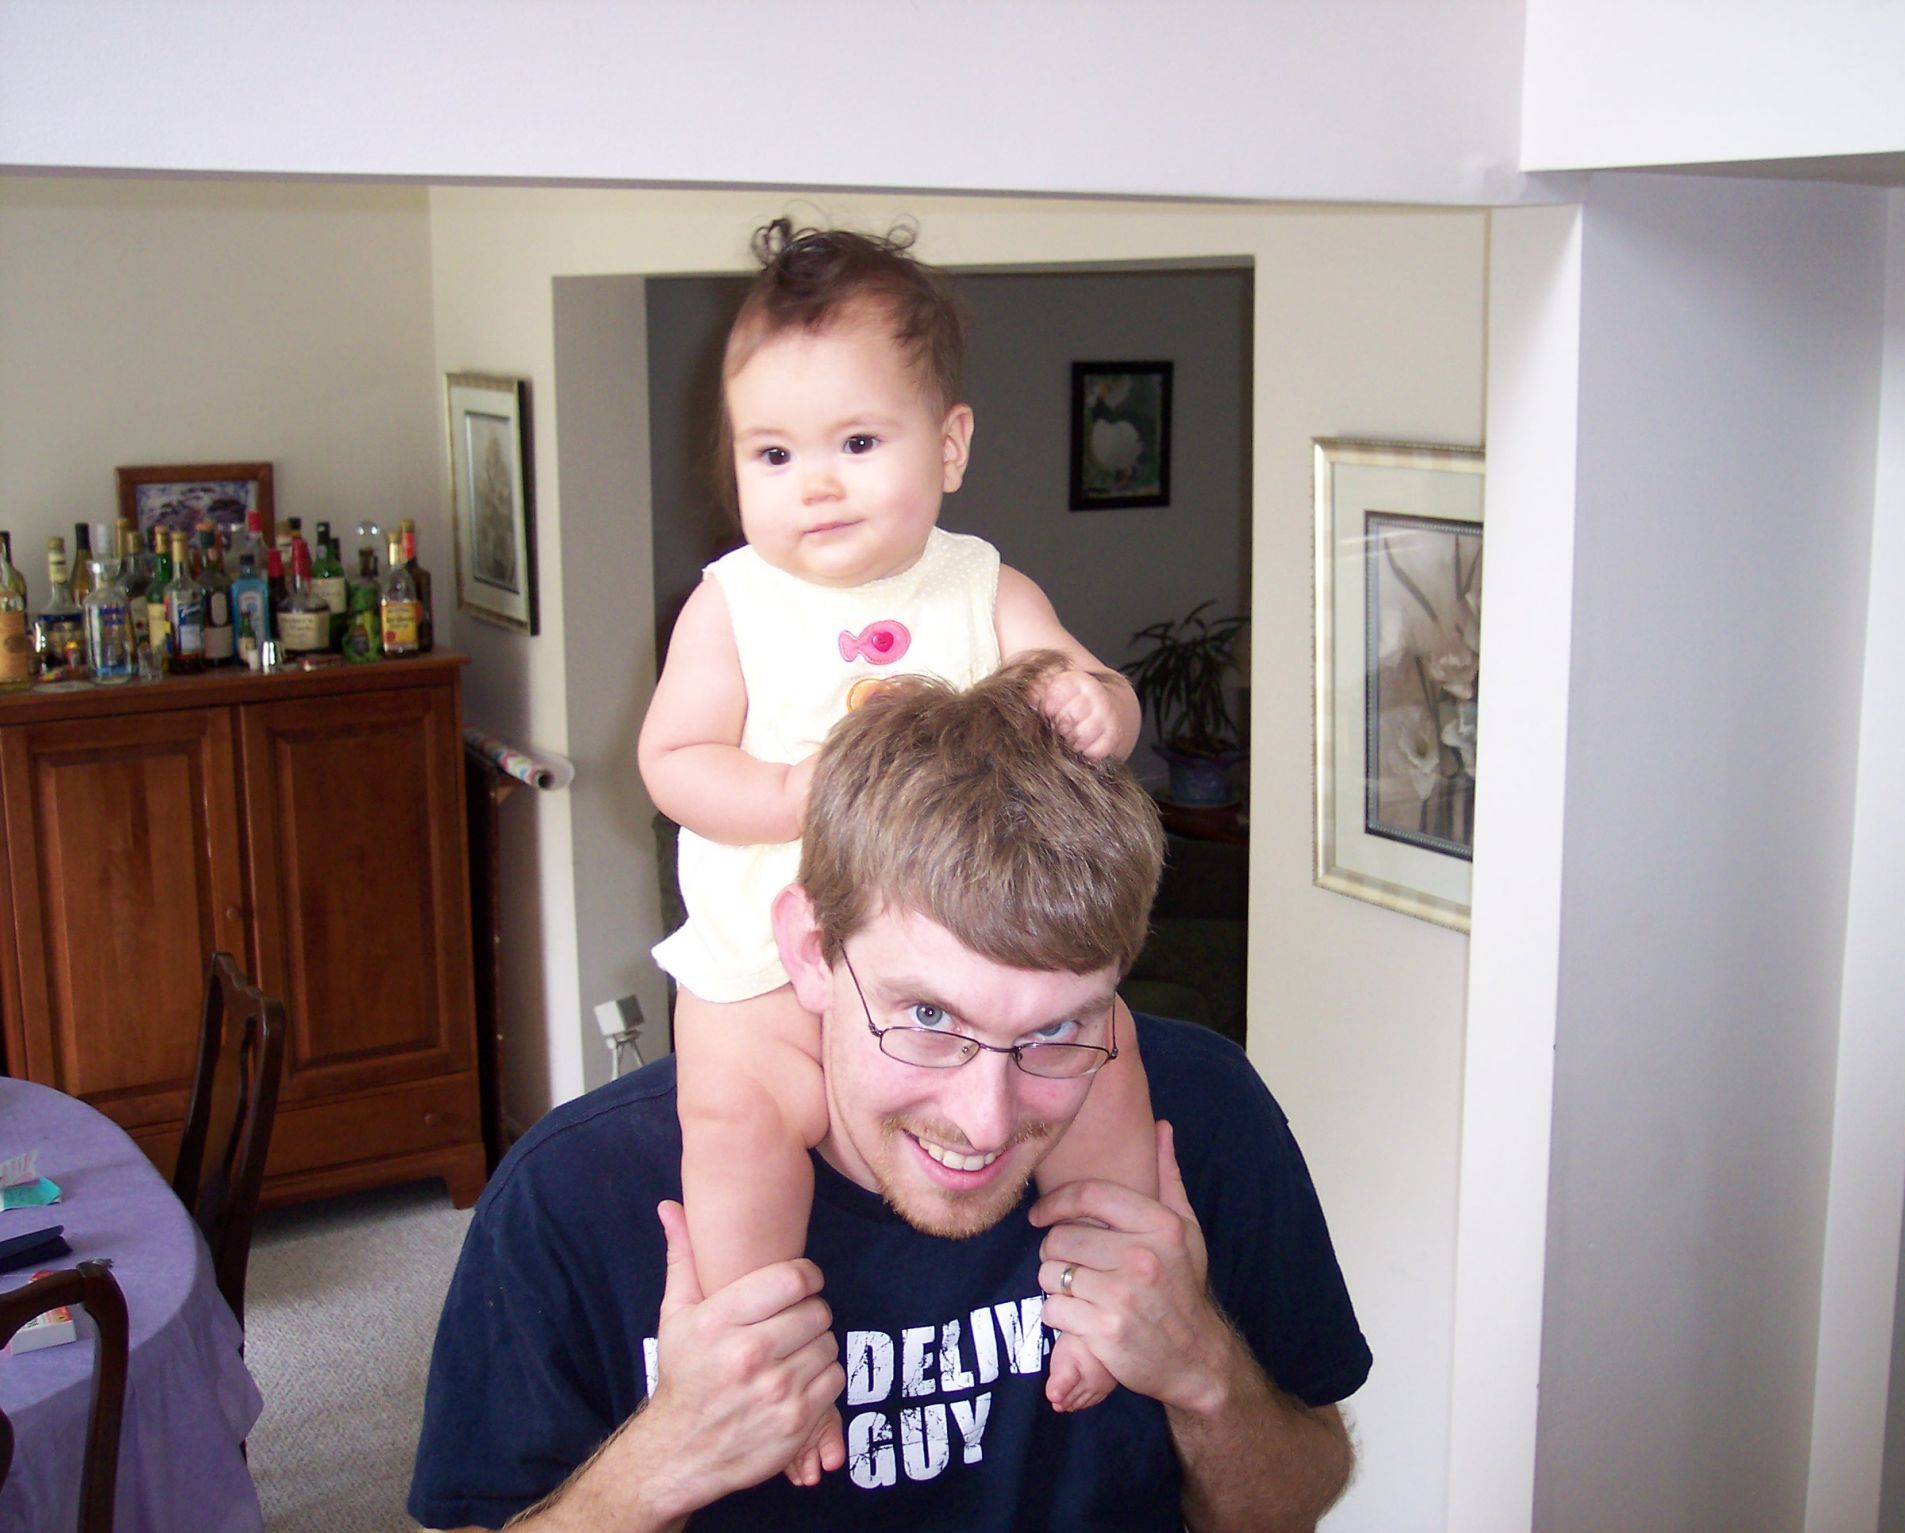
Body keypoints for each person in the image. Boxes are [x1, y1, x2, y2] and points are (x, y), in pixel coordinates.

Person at [410, 660, 1372, 1531]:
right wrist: (664, 1460)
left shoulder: (1204, 1110)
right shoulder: (572, 1195)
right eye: (929, 1016)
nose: (985, 1120)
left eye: (1056, 1030)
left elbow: (1296, 1495)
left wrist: (1203, 1370)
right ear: (809, 950)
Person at [635, 219, 1151, 1467]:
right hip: (761, 968)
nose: (814, 485)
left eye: (856, 444)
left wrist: (1095, 705)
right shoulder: (732, 603)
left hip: (968, 961)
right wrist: (794, 792)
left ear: (950, 445)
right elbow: (673, 761)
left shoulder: (983, 589)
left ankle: (1107, 1297)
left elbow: (1091, 687)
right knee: (734, 1124)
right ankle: (770, 1374)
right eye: (773, 453)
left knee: (1109, 1063)